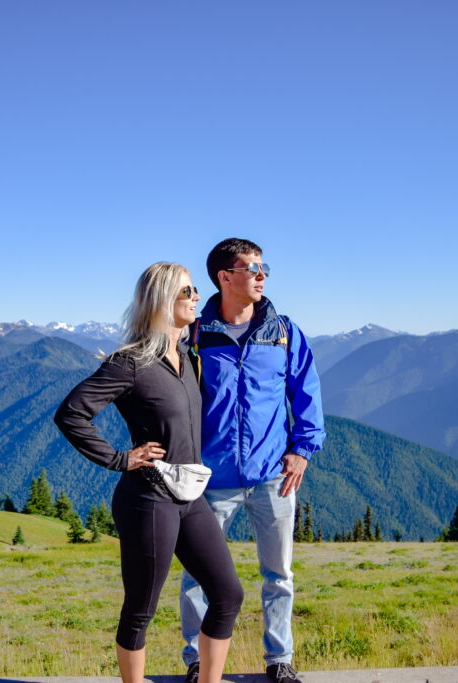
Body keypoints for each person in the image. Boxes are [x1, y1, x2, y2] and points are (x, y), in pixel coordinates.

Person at [54, 262, 243, 683]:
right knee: (141, 609)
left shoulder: (188, 357)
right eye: (187, 292)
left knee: (228, 595)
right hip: (148, 499)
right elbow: (71, 414)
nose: (197, 297)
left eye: (195, 291)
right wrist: (121, 458)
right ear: (161, 301)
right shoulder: (130, 363)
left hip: (190, 494)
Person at [180, 239, 325, 683]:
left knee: (278, 573)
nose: (262, 275)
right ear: (225, 277)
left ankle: (279, 660)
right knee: (197, 578)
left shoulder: (283, 332)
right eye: (252, 267)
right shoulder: (195, 336)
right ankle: (197, 663)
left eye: (264, 267)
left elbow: (307, 394)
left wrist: (302, 449)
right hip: (211, 477)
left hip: (272, 477)